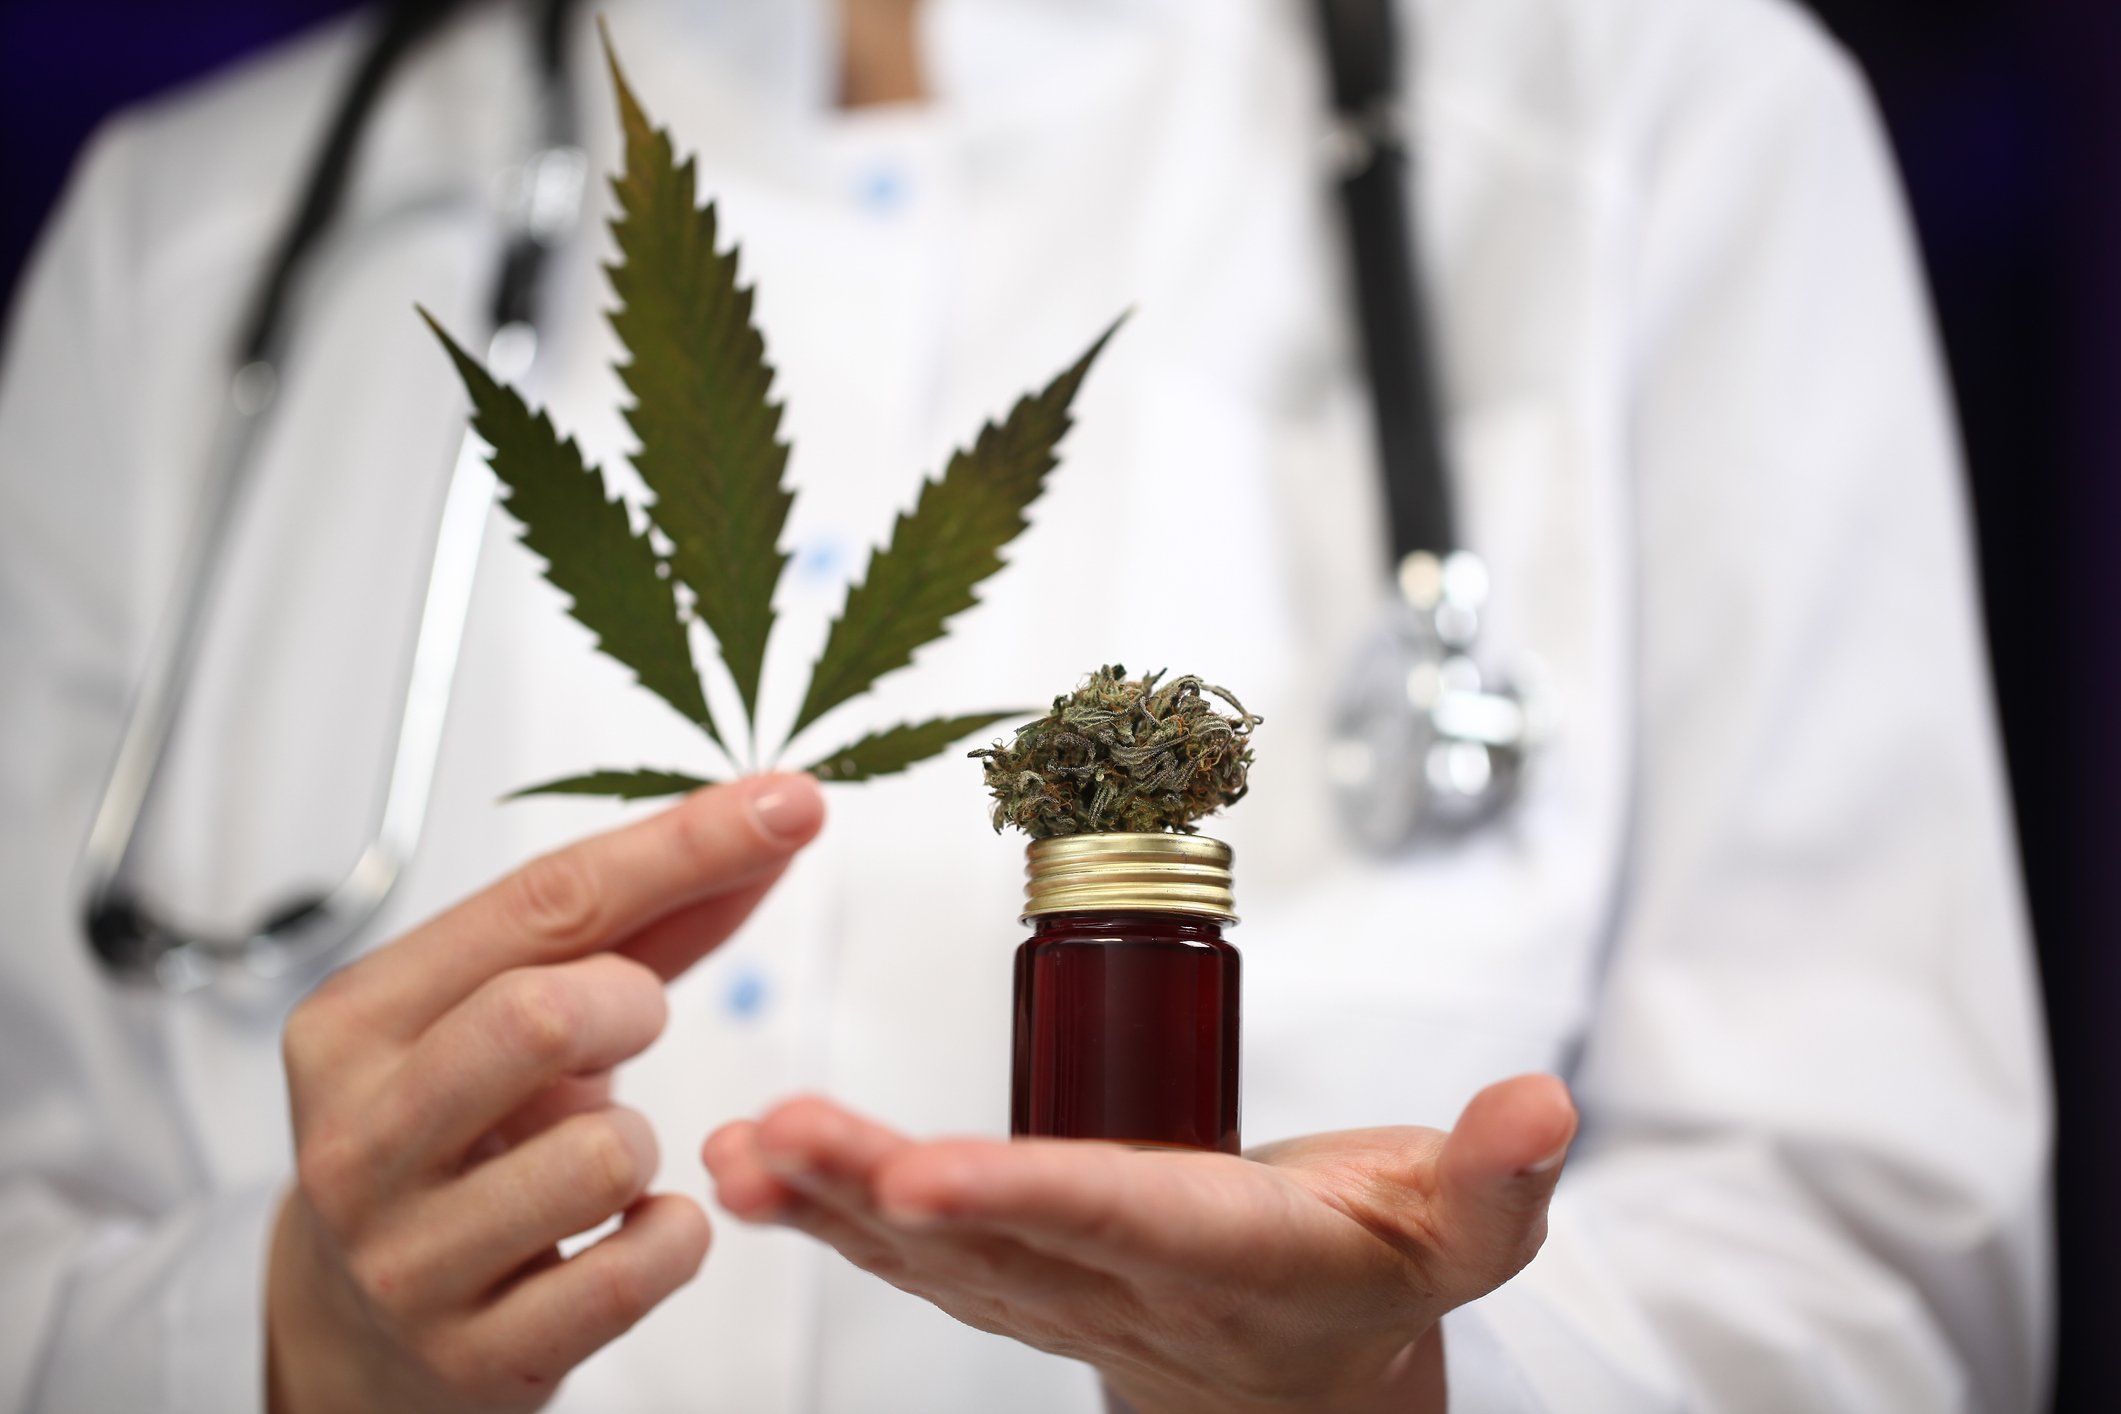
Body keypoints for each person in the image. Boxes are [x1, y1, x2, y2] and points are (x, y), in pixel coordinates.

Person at [0, 0, 2050, 1410]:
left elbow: (1873, 1265)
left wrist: (1409, 1383)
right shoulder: (185, 243)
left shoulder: (1656, 116)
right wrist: (273, 1348)